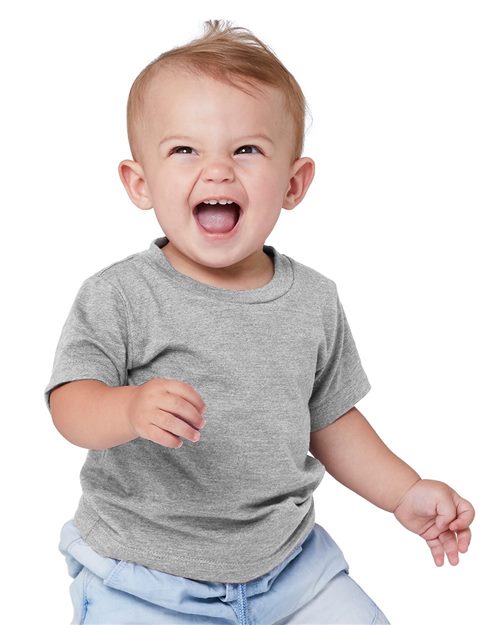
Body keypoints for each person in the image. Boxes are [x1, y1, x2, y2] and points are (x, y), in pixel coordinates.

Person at [45, 20, 475, 625]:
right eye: (184, 149)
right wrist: (128, 409)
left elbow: (331, 421)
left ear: (294, 183)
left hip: (290, 571)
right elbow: (70, 404)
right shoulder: (120, 295)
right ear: (139, 183)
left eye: (246, 150)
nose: (218, 170)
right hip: (145, 581)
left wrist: (404, 491)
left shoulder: (312, 301)